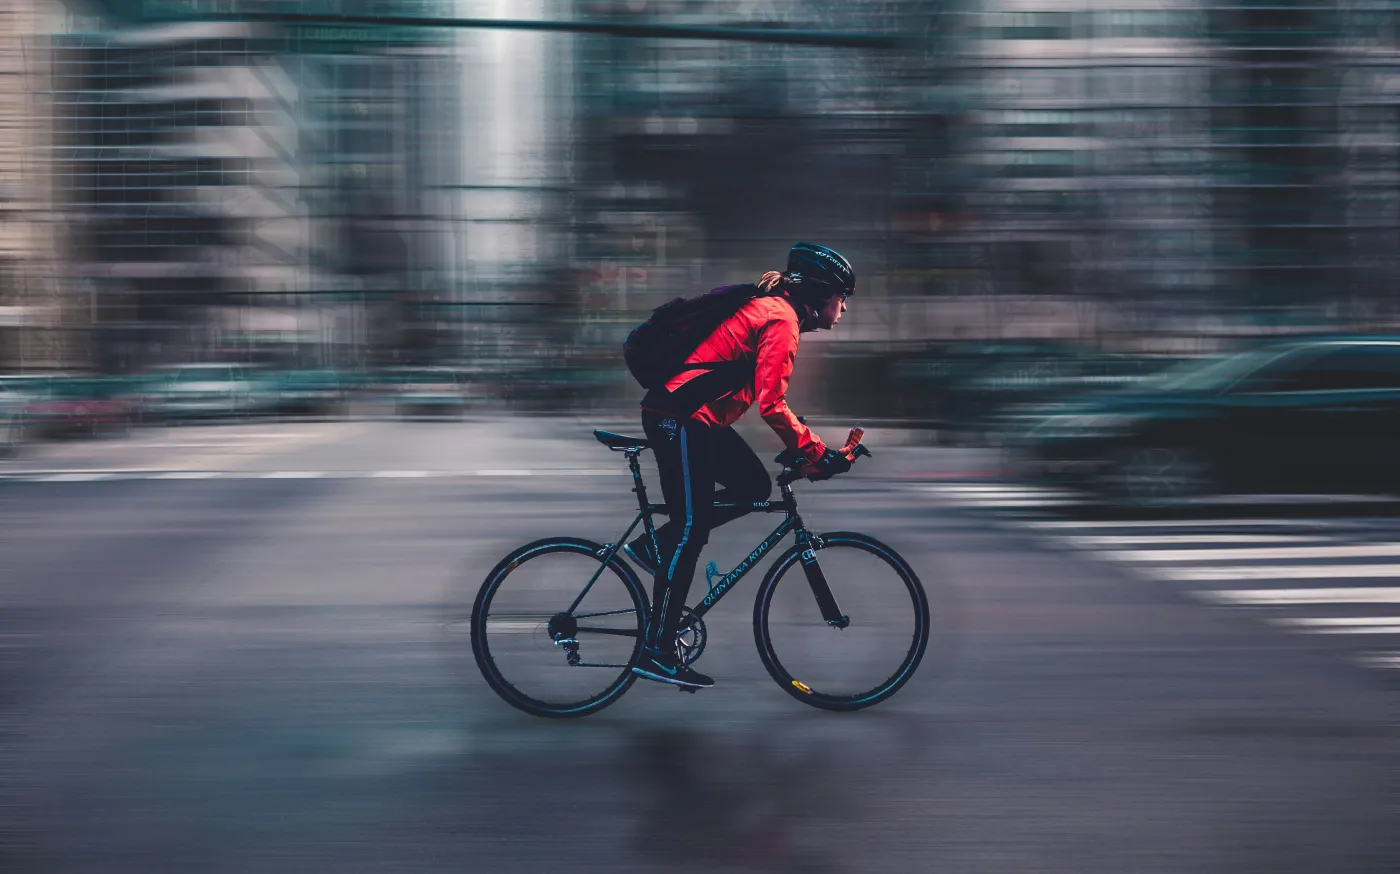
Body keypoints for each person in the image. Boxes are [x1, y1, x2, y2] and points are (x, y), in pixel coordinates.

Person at [627, 242, 856, 689]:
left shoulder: (776, 312)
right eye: (842, 296)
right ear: (822, 293)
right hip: (679, 418)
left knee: (753, 486)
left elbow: (762, 396)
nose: (844, 307)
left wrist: (804, 447)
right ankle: (656, 650)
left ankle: (657, 547)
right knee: (691, 531)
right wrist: (814, 452)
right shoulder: (782, 319)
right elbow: (772, 404)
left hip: (694, 418)